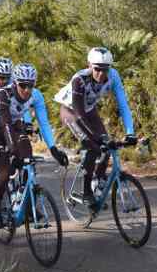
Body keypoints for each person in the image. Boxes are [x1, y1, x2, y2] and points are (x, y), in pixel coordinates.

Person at [0, 63, 69, 228]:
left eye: (31, 85)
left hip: (14, 124)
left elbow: (44, 123)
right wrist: (12, 151)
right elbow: (5, 124)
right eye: (23, 85)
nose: (27, 90)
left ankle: (25, 201)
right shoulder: (4, 94)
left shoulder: (36, 96)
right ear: (15, 83)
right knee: (6, 169)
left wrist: (53, 149)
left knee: (28, 159)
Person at [54, 47, 137, 206]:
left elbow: (123, 105)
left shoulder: (114, 76)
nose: (101, 73)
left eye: (105, 69)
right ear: (89, 65)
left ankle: (97, 180)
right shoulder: (79, 79)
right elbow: (79, 114)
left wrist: (130, 132)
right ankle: (86, 192)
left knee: (107, 147)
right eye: (97, 69)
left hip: (90, 110)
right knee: (93, 146)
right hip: (71, 111)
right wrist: (97, 138)